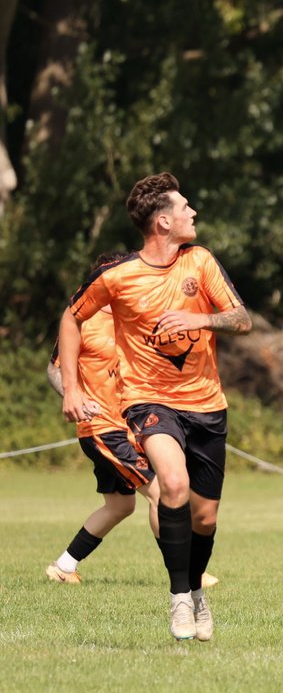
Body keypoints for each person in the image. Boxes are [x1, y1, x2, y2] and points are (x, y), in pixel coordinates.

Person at [59, 172, 250, 641]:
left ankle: (197, 595)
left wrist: (199, 317)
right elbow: (71, 316)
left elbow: (241, 319)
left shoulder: (200, 262)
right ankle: (179, 599)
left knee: (205, 518)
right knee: (172, 483)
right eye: (185, 207)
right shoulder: (116, 276)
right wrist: (71, 387)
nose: (193, 213)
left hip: (207, 404)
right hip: (147, 401)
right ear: (163, 221)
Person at [44, 252, 219, 589]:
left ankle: (64, 565)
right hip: (102, 429)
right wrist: (73, 395)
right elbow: (54, 369)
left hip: (132, 426)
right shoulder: (81, 321)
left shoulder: (135, 318)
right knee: (162, 493)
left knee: (120, 505)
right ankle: (188, 573)